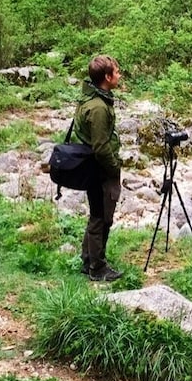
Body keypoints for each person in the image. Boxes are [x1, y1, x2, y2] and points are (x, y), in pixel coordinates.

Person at [75, 55, 124, 282]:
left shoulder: (93, 99)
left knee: (96, 214)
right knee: (101, 218)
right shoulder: (98, 108)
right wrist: (115, 169)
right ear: (107, 77)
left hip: (93, 168)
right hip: (100, 170)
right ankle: (98, 268)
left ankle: (88, 261)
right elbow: (101, 147)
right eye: (117, 71)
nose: (119, 75)